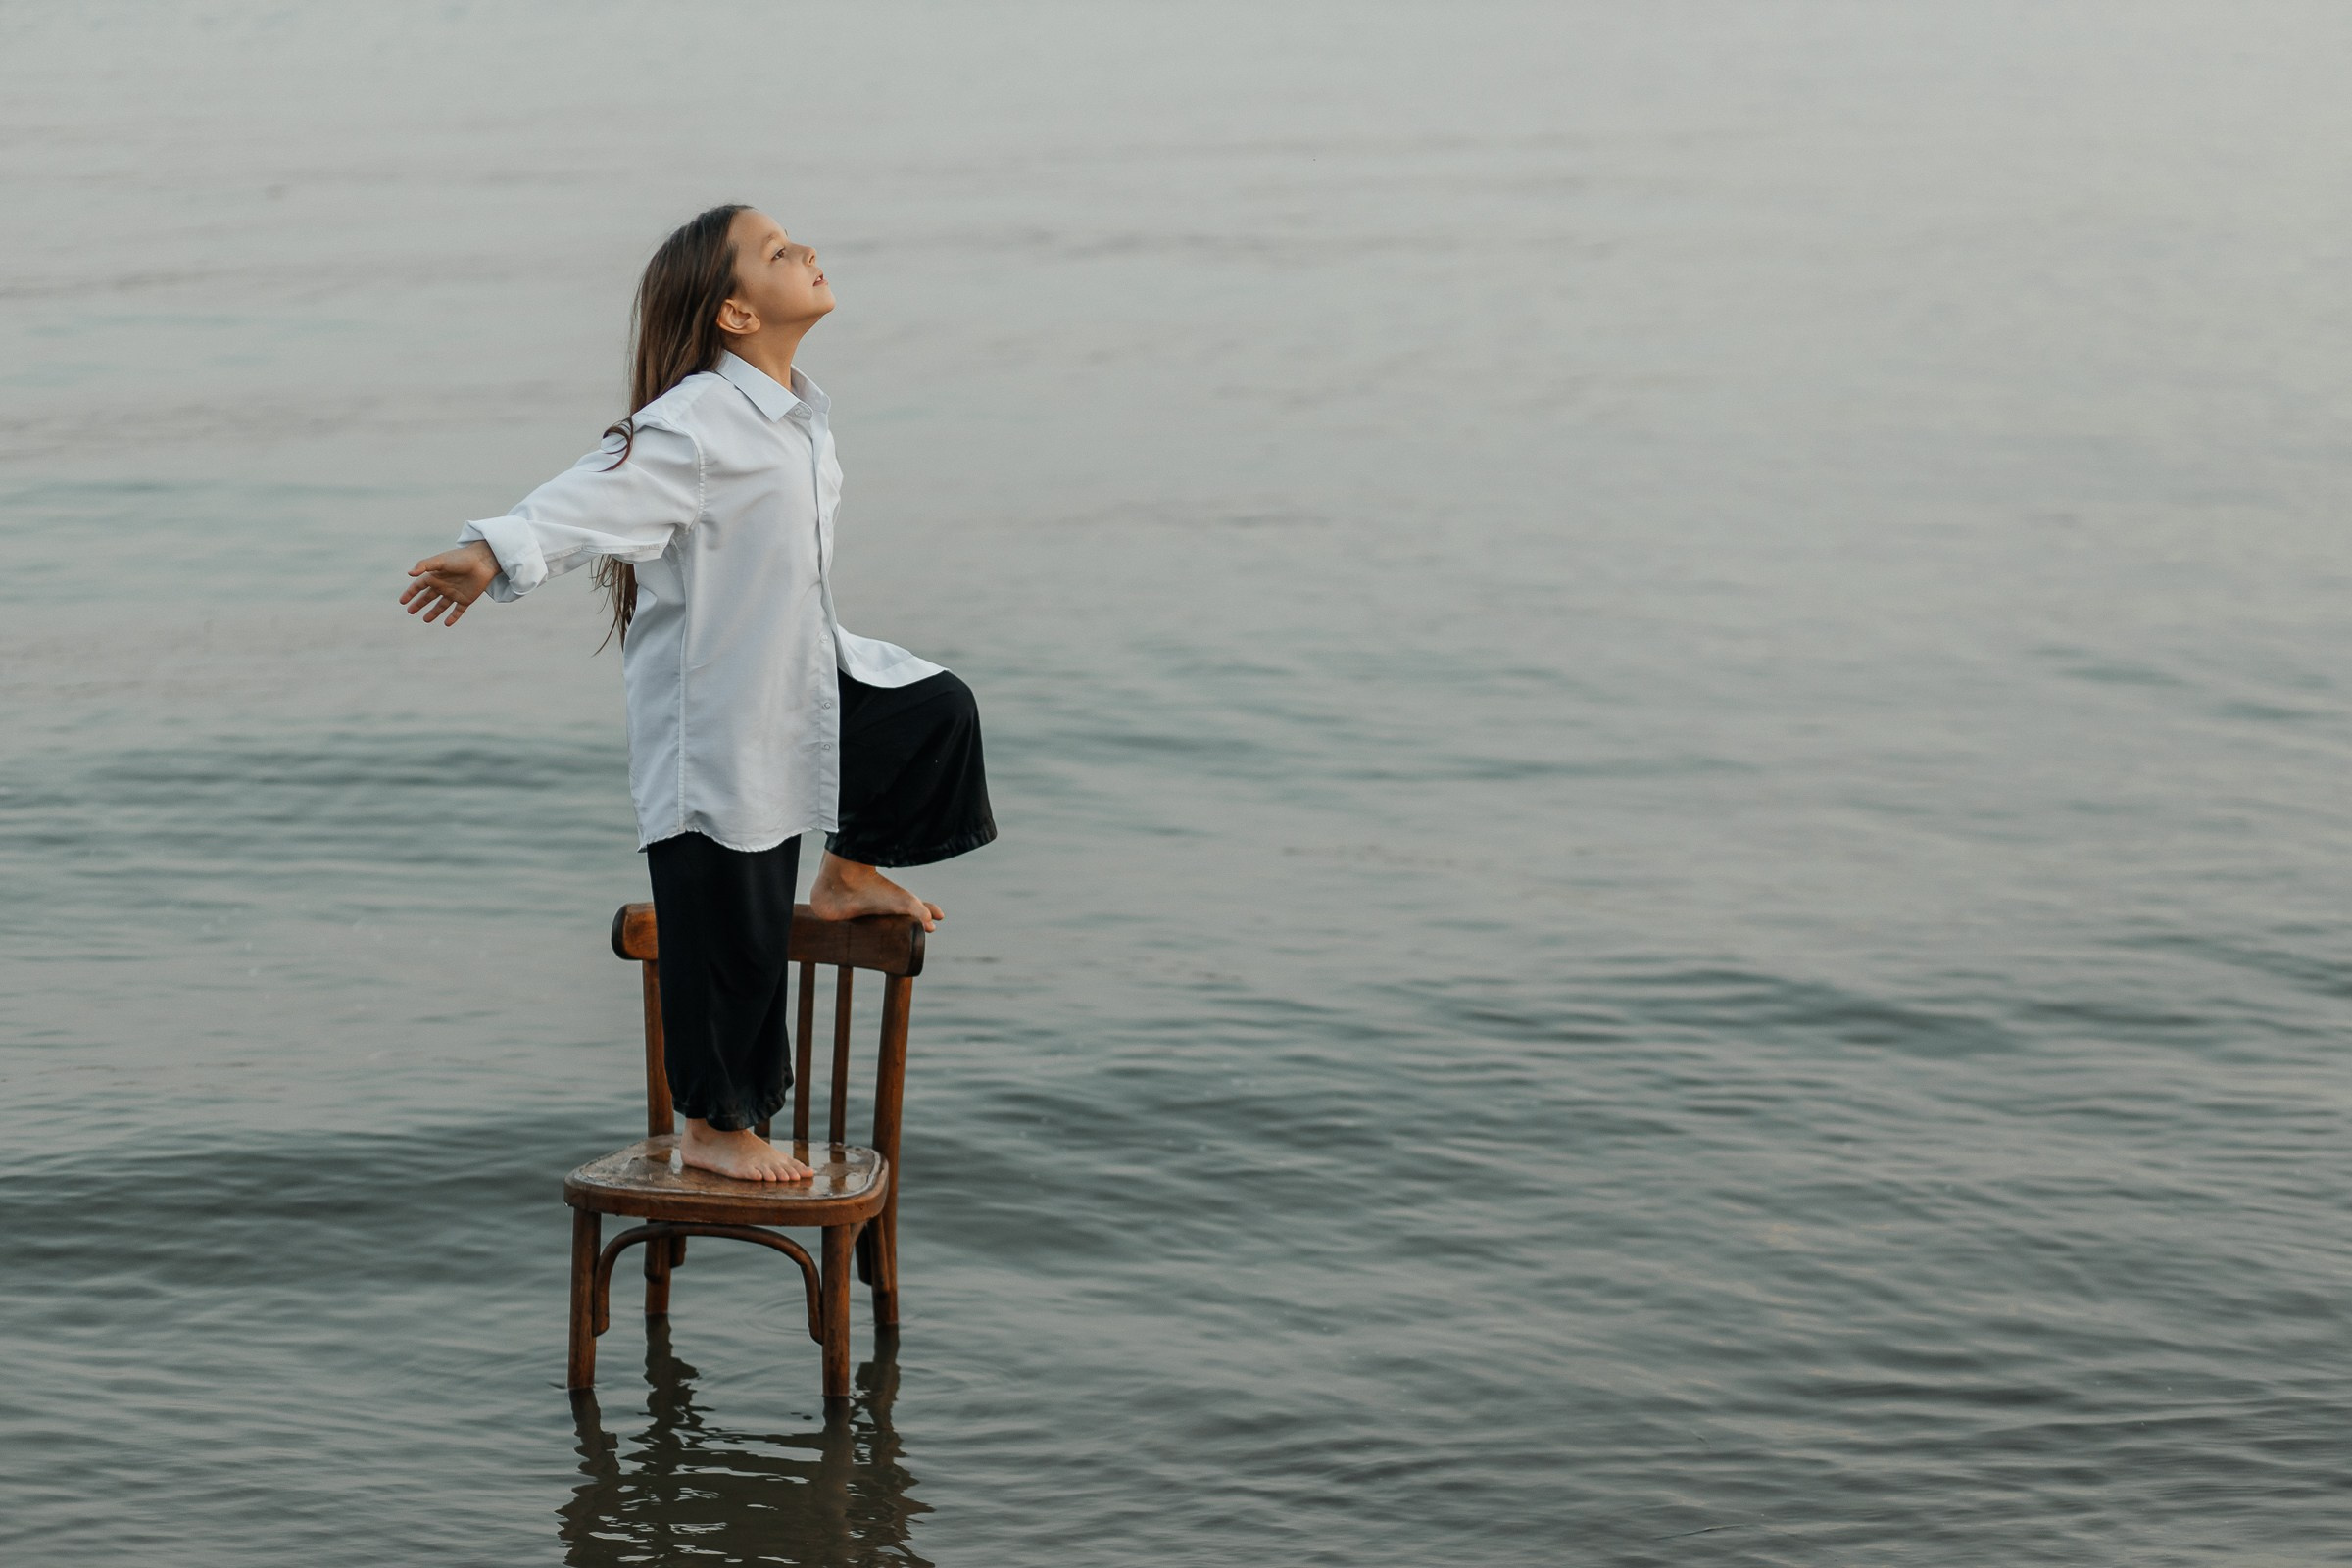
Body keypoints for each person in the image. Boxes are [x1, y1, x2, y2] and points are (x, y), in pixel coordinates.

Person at [398, 204, 996, 1184]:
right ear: (734, 315)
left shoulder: (798, 419)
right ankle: (716, 1125)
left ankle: (849, 871)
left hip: (797, 674)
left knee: (931, 710)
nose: (804, 249)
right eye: (775, 252)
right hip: (716, 723)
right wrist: (489, 551)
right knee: (732, 928)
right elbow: (589, 495)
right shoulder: (691, 426)